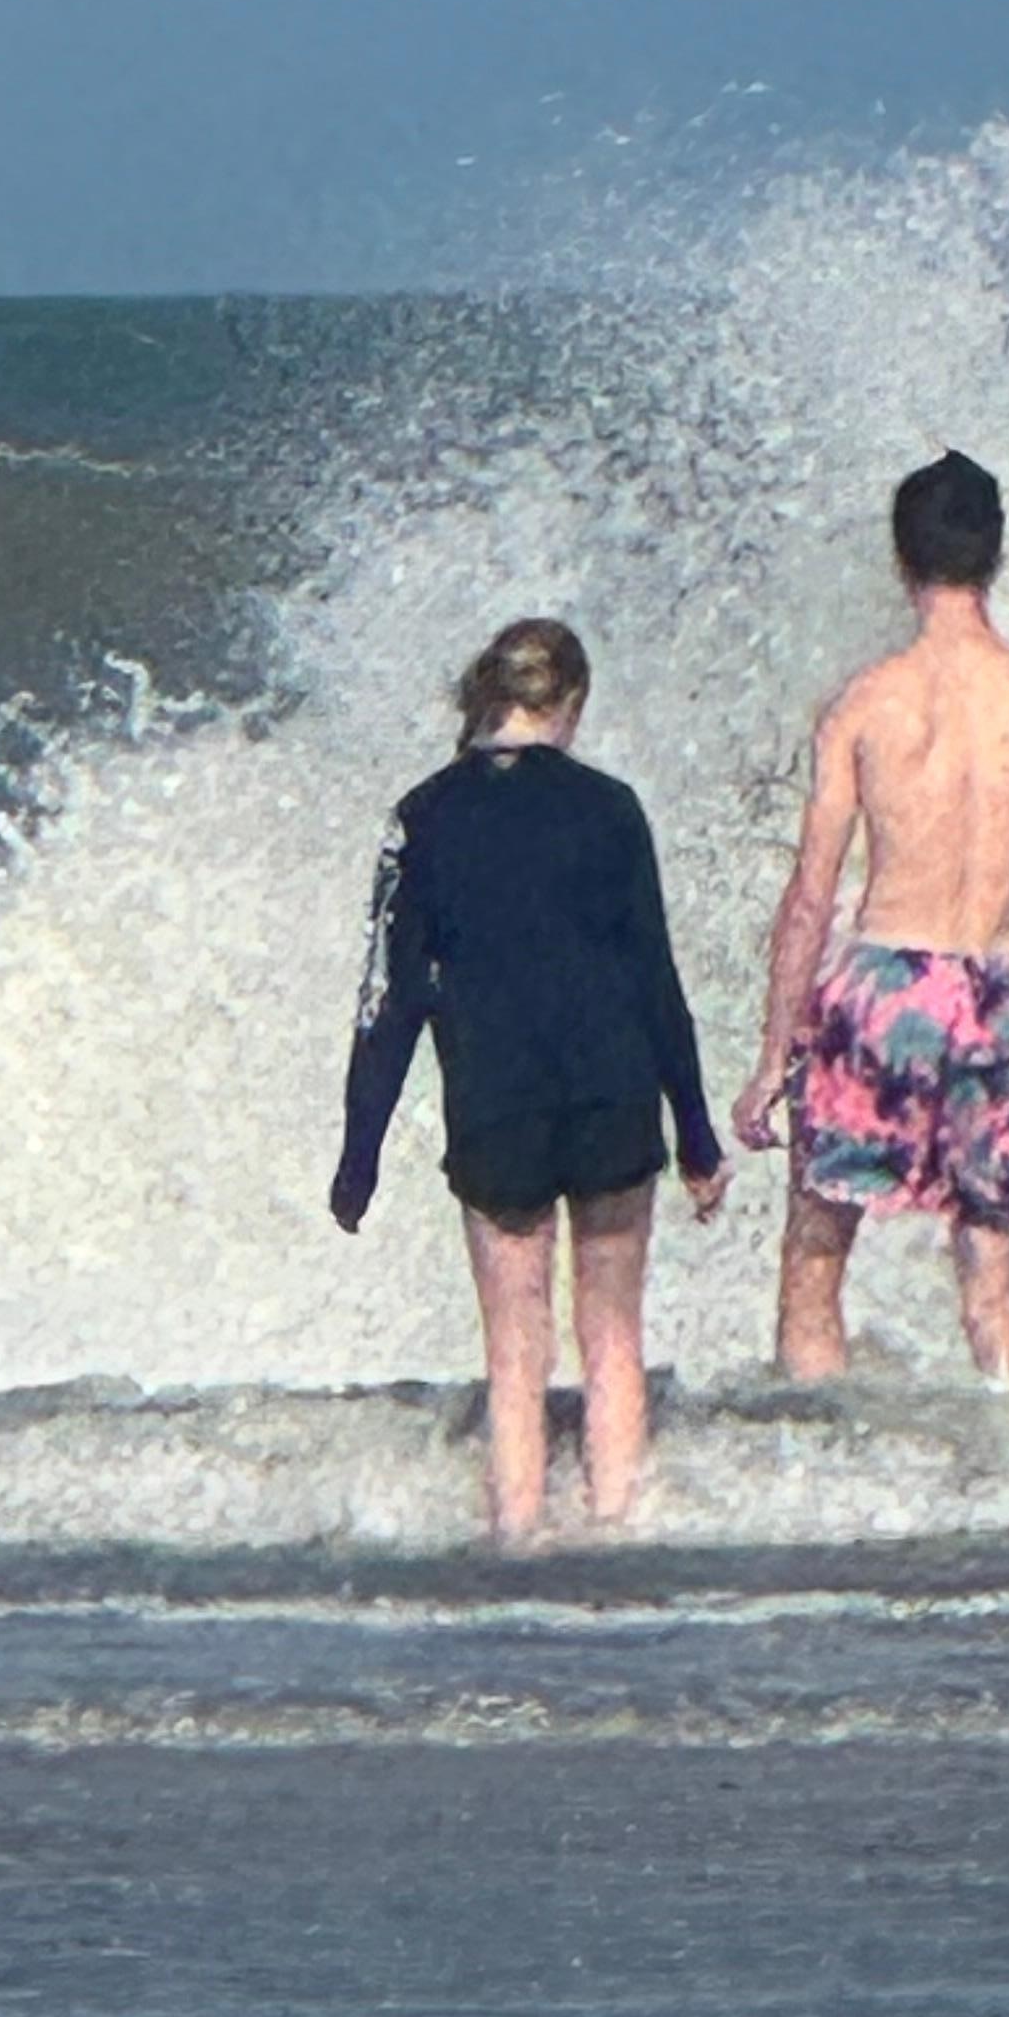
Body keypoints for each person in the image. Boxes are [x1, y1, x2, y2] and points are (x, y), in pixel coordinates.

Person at [331, 616, 727, 1544]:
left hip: (495, 1104)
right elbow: (656, 983)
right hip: (610, 1094)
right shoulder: (611, 808)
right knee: (613, 1341)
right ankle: (616, 1531)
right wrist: (697, 1138)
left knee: (515, 1356)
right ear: (570, 706)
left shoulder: (420, 817)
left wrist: (360, 1157)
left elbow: (386, 1003)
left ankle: (517, 1543)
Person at [732, 453, 1009, 1386]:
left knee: (817, 1254)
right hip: (997, 987)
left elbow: (812, 896)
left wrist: (774, 1051)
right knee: (995, 1271)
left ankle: (813, 1469)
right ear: (997, 557)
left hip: (882, 987)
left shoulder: (865, 705)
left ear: (902, 562)